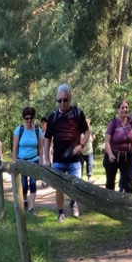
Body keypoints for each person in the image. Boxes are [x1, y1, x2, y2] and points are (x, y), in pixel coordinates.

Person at [44, 84, 90, 222]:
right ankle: (60, 213)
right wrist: (47, 159)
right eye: (59, 100)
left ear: (70, 98)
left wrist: (81, 145)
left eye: (65, 99)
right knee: (59, 187)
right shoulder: (53, 116)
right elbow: (47, 139)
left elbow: (87, 132)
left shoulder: (77, 113)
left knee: (76, 187)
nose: (62, 103)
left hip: (75, 159)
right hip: (58, 159)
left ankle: (74, 204)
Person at [12, 106, 44, 215]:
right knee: (24, 186)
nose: (29, 120)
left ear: (34, 118)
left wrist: (42, 161)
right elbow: (15, 148)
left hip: (34, 160)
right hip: (22, 162)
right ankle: (25, 200)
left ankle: (31, 208)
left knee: (33, 183)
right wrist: (14, 162)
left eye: (31, 118)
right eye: (27, 118)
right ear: (24, 118)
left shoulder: (37, 130)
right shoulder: (19, 130)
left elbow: (40, 148)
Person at [104, 98, 132, 193]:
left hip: (126, 157)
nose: (124, 110)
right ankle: (109, 201)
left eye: (126, 107)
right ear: (118, 110)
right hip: (113, 157)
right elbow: (107, 141)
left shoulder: (130, 121)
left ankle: (130, 201)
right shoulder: (113, 123)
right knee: (110, 182)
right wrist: (110, 154)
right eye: (122, 108)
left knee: (128, 182)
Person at [81, 117, 94, 182]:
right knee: (80, 165)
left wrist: (93, 138)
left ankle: (89, 178)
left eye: (88, 124)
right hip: (81, 152)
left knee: (90, 164)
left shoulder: (90, 132)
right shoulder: (80, 132)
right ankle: (80, 178)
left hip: (89, 151)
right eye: (86, 123)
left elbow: (91, 140)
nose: (87, 125)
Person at [39, 116, 50, 187]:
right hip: (42, 151)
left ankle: (47, 181)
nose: (42, 125)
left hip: (49, 150)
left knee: (48, 165)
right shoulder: (41, 133)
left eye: (43, 123)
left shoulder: (49, 132)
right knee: (43, 165)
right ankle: (43, 181)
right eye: (41, 123)